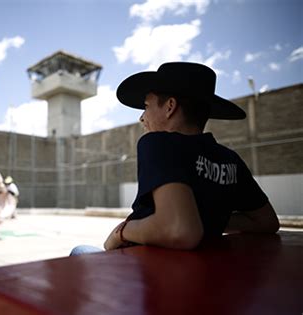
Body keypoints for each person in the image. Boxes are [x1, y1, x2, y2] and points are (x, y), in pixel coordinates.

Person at [71, 62, 279, 255]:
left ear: (170, 106)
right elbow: (266, 221)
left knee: (80, 251)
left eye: (146, 106)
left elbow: (180, 230)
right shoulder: (230, 159)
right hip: (203, 276)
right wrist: (210, 221)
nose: (142, 117)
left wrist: (122, 231)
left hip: (148, 269)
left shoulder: (157, 142)